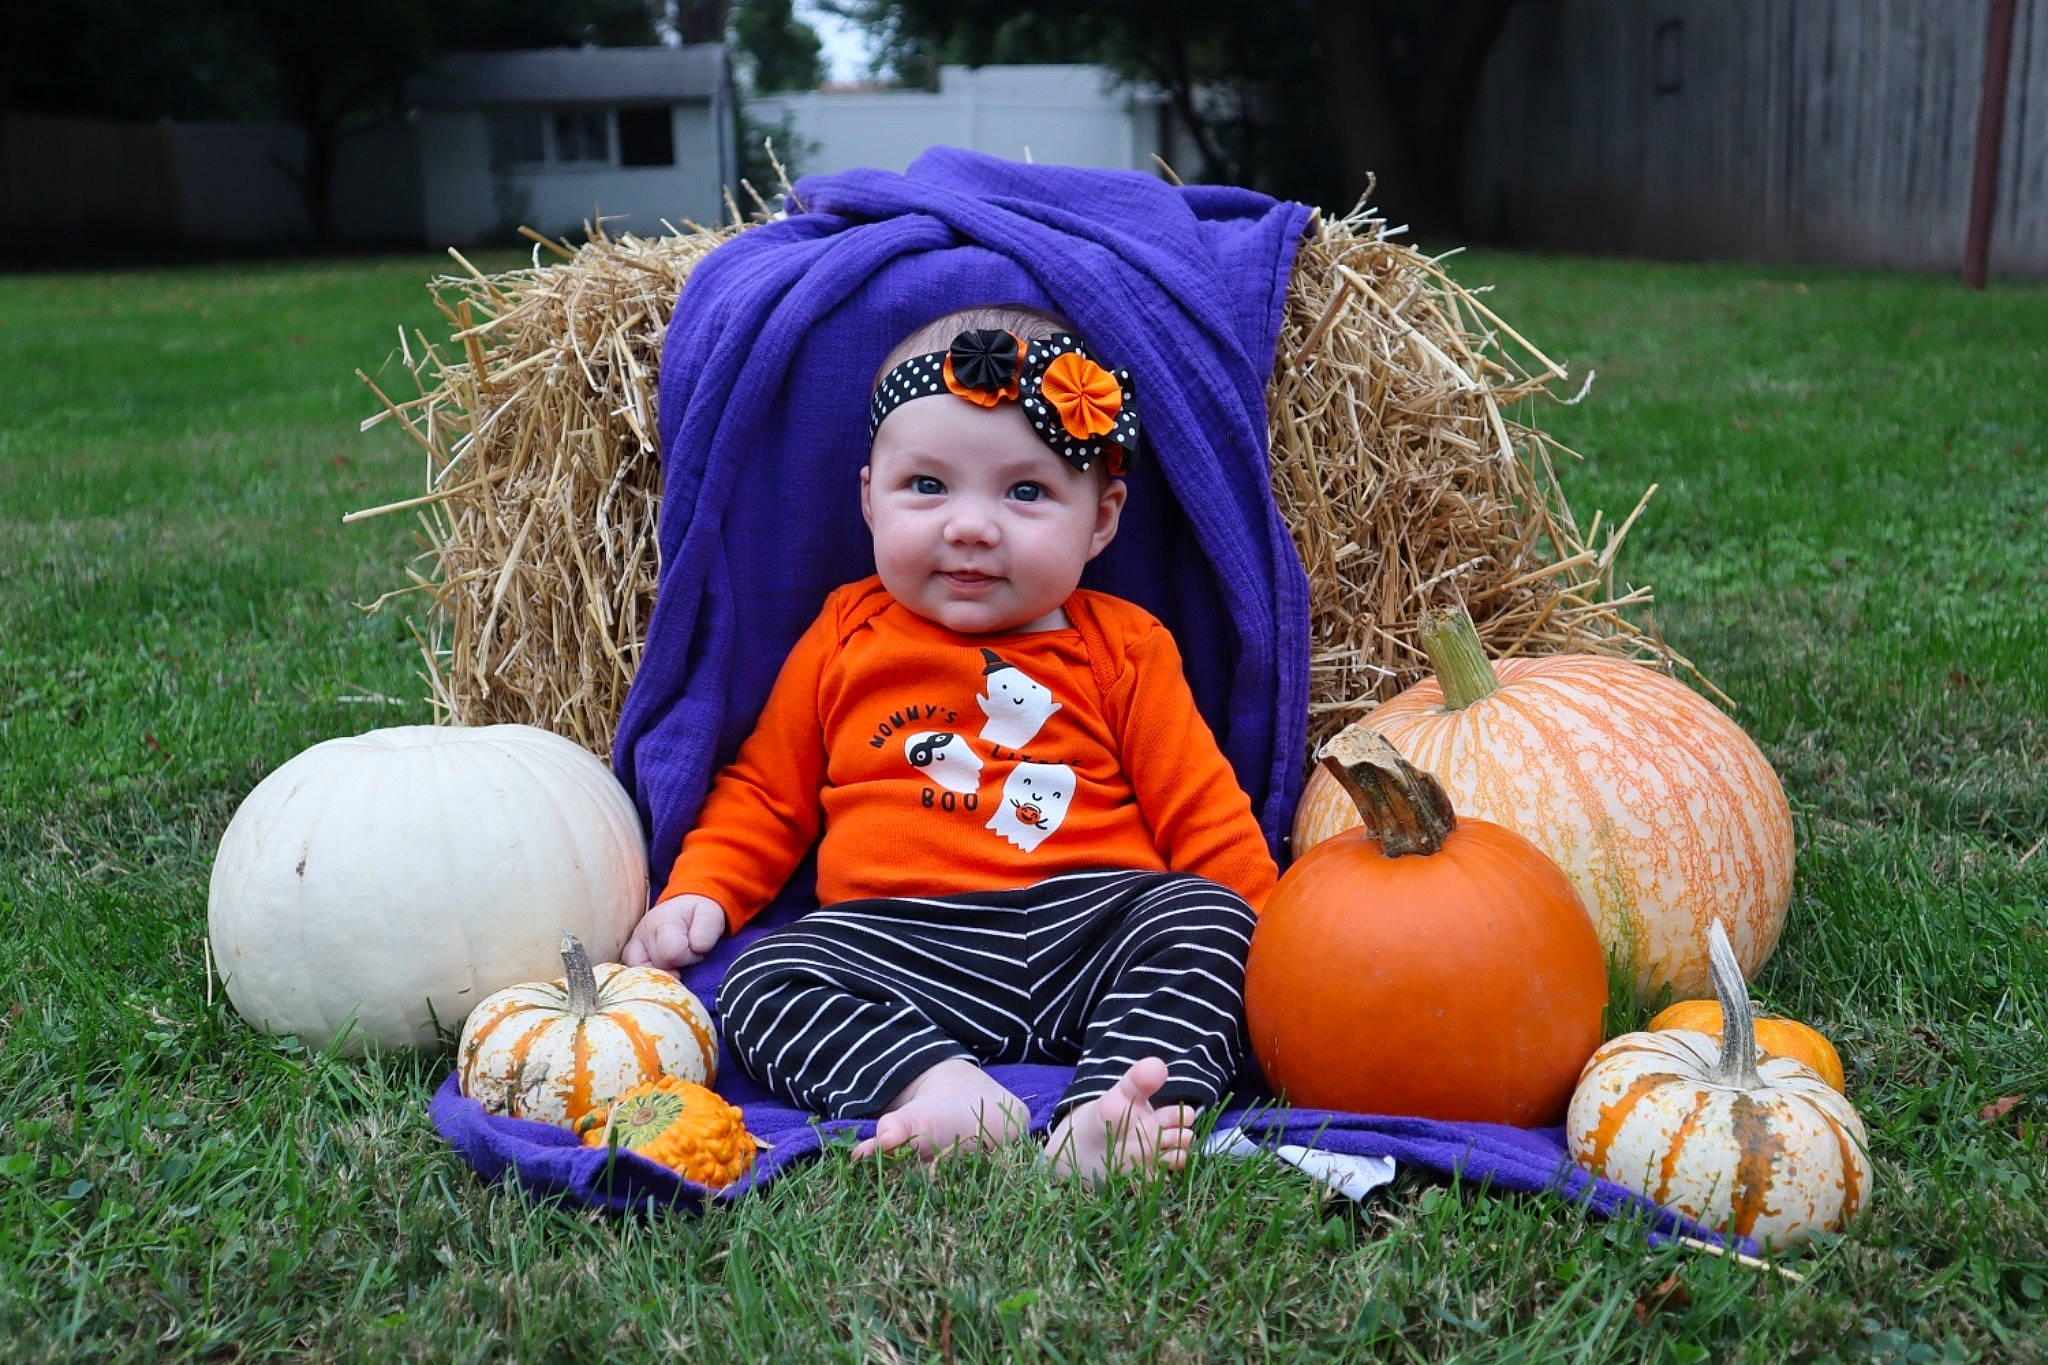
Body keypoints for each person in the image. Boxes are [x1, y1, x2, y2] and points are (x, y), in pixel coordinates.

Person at [622, 305, 1277, 1181]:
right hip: (900, 944)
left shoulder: (1124, 646)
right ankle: (940, 1088)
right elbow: (769, 793)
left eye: (1027, 491)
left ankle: (1114, 1116)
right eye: (927, 486)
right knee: (762, 977)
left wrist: (1273, 947)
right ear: (868, 498)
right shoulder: (847, 633)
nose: (970, 525)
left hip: (1084, 927)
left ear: (1103, 518)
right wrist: (704, 884)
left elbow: (1205, 816)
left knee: (1207, 921)